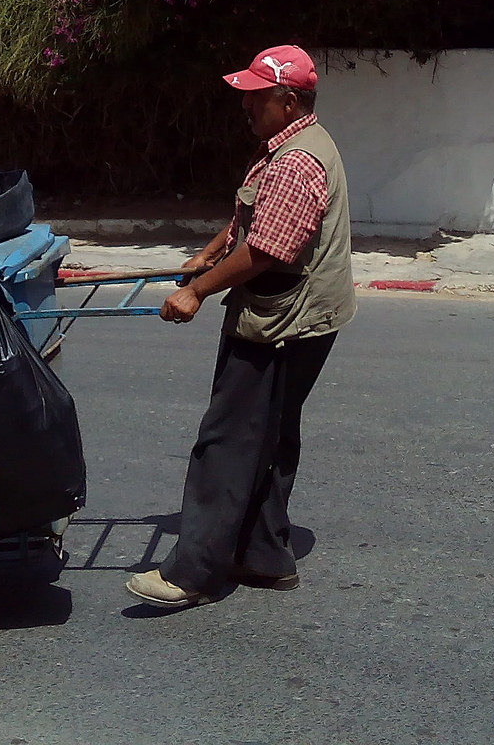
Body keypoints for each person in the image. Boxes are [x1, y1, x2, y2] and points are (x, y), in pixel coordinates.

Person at [125, 44, 357, 610]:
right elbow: (247, 223)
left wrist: (197, 292)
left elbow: (267, 250)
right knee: (272, 435)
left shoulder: (297, 162)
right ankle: (264, 556)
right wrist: (206, 256)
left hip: (283, 319)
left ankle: (191, 572)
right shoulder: (286, 147)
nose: (246, 105)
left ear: (289, 99)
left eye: (256, 96)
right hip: (303, 316)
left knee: (227, 439)